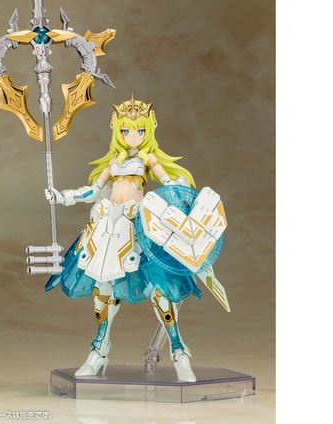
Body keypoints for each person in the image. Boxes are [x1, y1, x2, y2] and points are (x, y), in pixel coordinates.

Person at [44, 96, 209, 382]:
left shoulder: (148, 159)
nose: (133, 135)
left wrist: (183, 196)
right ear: (116, 130)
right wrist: (63, 197)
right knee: (102, 287)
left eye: (140, 130)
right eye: (126, 130)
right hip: (109, 226)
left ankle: (179, 351)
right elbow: (92, 191)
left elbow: (169, 183)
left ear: (149, 129)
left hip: (137, 224)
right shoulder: (114, 162)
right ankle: (99, 349)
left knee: (160, 289)